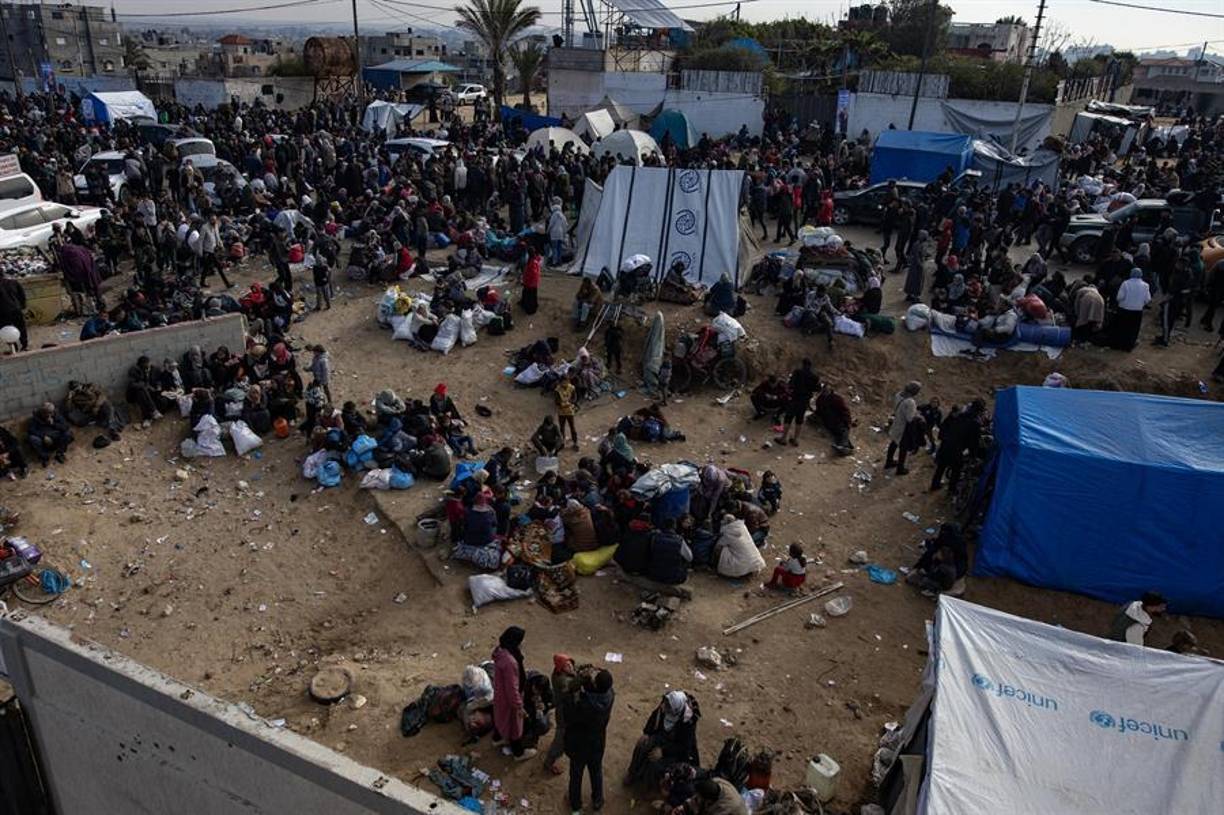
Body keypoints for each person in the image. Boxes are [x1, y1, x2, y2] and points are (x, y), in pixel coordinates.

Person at [624, 690, 701, 790]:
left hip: (674, 750)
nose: (664, 709)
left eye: (667, 707)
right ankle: (632, 772)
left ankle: (648, 786)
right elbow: (654, 718)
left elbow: (683, 748)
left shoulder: (687, 723)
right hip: (661, 737)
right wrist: (647, 733)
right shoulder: (666, 704)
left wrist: (663, 752)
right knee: (642, 745)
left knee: (655, 765)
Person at [564, 668, 615, 815]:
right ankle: (597, 800)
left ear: (596, 684)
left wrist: (575, 686)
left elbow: (569, 715)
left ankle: (575, 804)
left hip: (580, 743)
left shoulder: (585, 705)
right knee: (596, 771)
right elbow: (597, 690)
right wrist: (588, 683)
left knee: (576, 775)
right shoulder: (610, 695)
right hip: (597, 742)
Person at [492, 626, 537, 759]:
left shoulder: (501, 652)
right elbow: (512, 688)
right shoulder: (510, 662)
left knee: (501, 718)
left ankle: (497, 738)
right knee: (514, 727)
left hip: (501, 695)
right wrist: (519, 706)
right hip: (509, 700)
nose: (522, 643)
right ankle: (518, 753)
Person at [930, 400, 985, 491]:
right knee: (956, 470)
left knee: (941, 466)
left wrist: (943, 438)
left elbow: (945, 425)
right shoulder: (975, 423)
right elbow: (974, 442)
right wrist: (973, 455)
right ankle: (951, 489)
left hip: (946, 443)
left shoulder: (959, 415)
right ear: (980, 411)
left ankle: (934, 485)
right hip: (957, 448)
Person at [544, 654, 580, 775]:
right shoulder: (562, 680)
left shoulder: (560, 673)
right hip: (564, 714)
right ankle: (549, 762)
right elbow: (571, 686)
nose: (570, 667)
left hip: (566, 711)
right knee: (561, 740)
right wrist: (580, 677)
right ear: (561, 669)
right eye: (566, 665)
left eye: (570, 664)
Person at [776, 359, 820, 447]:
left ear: (803, 364)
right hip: (804, 401)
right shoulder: (814, 377)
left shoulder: (797, 372)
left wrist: (790, 390)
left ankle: (783, 438)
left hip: (794, 398)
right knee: (799, 420)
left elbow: (791, 385)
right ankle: (795, 440)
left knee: (788, 418)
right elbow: (817, 389)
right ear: (810, 366)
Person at [884, 381, 922, 475]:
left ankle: (889, 461)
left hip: (896, 423)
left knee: (894, 442)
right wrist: (917, 417)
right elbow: (909, 418)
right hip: (904, 428)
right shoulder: (910, 402)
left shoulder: (899, 395)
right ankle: (900, 468)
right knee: (903, 448)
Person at [1112, 268, 1151, 351]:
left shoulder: (1125, 283)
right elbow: (1148, 299)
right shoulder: (1145, 285)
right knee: (1133, 329)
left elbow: (1119, 297)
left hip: (1124, 309)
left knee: (1121, 328)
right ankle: (1129, 346)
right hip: (1137, 311)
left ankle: (1118, 344)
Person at [646, 518, 692, 585]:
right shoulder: (680, 540)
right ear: (674, 527)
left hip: (654, 575)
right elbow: (690, 558)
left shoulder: (655, 537)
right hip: (673, 578)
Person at [812, 383, 853, 455]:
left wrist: (847, 422)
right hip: (828, 421)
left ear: (830, 391)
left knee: (843, 432)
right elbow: (819, 409)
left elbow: (845, 411)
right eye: (824, 390)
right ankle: (843, 446)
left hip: (838, 421)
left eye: (826, 390)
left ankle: (845, 447)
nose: (825, 392)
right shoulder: (820, 399)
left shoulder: (836, 399)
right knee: (837, 433)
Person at [680, 777, 749, 815]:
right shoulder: (716, 781)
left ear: (709, 801)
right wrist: (684, 806)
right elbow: (696, 798)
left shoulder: (724, 807)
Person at [0, 270, 28, 351]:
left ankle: (13, 347)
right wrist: (23, 306)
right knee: (21, 327)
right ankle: (24, 345)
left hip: (2, 312)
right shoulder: (14, 282)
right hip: (16, 309)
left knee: (6, 330)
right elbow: (22, 295)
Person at [555, 373, 579, 450]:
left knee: (572, 427)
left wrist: (571, 402)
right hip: (561, 411)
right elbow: (556, 401)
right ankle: (562, 442)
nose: (564, 384)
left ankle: (575, 443)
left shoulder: (572, 388)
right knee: (562, 428)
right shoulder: (557, 390)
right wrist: (561, 404)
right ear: (560, 382)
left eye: (566, 382)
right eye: (563, 382)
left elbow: (575, 397)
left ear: (568, 381)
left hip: (569, 410)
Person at [521, 246, 542, 315]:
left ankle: (530, 309)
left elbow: (532, 273)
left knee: (529, 296)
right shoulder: (535, 260)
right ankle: (531, 305)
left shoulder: (532, 262)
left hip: (530, 282)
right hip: (533, 282)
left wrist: (525, 280)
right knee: (532, 295)